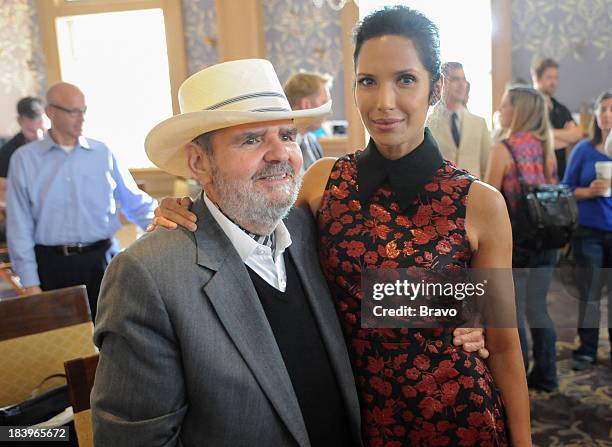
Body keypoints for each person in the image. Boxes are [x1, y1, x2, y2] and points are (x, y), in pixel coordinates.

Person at [156, 7, 530, 446]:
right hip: (354, 418)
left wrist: (522, 440)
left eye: (405, 79)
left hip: (456, 416)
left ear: (435, 89)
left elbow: (503, 347)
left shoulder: (479, 202)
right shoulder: (323, 181)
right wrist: (185, 209)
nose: (383, 101)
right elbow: (251, 227)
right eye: (367, 81)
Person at [6, 82, 156, 318]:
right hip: (51, 266)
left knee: (116, 337)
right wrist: (30, 283)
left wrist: (163, 237)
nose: (81, 118)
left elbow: (136, 203)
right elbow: (19, 227)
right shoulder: (24, 160)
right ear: (51, 112)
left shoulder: (103, 153)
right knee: (65, 344)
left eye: (84, 110)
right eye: (73, 111)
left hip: (103, 261)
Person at [485, 86, 559, 392]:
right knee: (538, 308)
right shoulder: (546, 147)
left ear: (518, 111)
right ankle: (547, 374)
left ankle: (519, 380)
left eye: (504, 105)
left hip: (516, 245)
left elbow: (487, 200)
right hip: (548, 241)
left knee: (512, 315)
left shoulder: (503, 149)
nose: (500, 110)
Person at [562, 91, 612, 371]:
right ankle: (588, 349)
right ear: (595, 114)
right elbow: (565, 189)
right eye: (602, 108)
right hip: (589, 232)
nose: (606, 114)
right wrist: (588, 191)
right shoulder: (583, 149)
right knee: (590, 293)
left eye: (611, 109)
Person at [426, 62, 492, 178]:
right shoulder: (428, 124)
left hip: (476, 192)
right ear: (442, 83)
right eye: (456, 79)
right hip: (441, 193)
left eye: (464, 79)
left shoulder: (479, 123)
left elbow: (486, 167)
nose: (462, 84)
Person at [531, 57, 581, 179]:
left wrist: (546, 134)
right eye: (549, 77)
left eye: (555, 77)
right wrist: (565, 137)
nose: (553, 82)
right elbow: (533, 140)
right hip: (537, 175)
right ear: (536, 78)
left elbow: (577, 134)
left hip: (560, 174)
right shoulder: (529, 107)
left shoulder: (560, 108)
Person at [0, 97, 45, 204]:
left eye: (42, 130)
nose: (39, 137)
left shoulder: (58, 140)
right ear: (19, 121)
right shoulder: (8, 152)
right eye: (31, 131)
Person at [283, 72, 332, 170]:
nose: (329, 111)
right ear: (306, 104)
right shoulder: (280, 148)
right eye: (324, 102)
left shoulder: (313, 143)